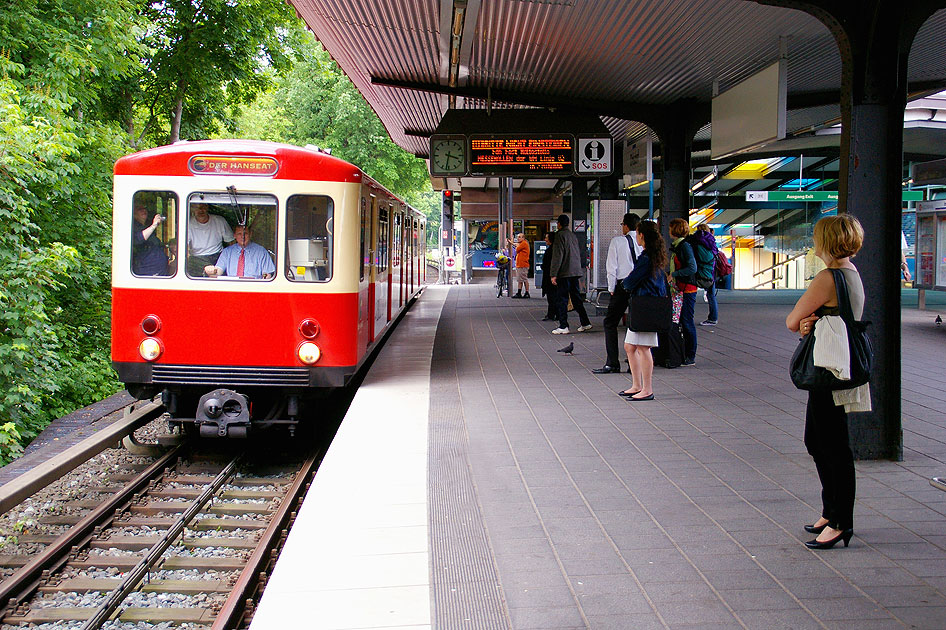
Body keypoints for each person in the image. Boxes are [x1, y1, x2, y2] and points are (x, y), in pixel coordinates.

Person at [786, 214, 865, 550]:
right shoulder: (850, 272)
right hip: (837, 366)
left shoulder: (827, 277)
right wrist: (809, 323)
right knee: (819, 441)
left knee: (832, 446)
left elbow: (792, 321)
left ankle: (840, 522)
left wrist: (803, 322)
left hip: (828, 371)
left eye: (816, 237)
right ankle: (830, 510)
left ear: (825, 242)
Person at [618, 220, 667, 401]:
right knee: (630, 346)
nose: (636, 236)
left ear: (642, 235)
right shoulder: (652, 256)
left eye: (637, 233)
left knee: (643, 348)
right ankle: (637, 385)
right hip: (646, 305)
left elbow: (631, 280)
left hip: (646, 306)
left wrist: (624, 284)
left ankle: (647, 389)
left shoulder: (646, 259)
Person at [593, 213, 642, 374]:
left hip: (622, 285)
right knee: (635, 323)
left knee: (610, 322)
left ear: (626, 226)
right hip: (639, 286)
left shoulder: (617, 241)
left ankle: (612, 362)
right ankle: (634, 363)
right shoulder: (643, 241)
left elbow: (611, 267)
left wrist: (611, 288)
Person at [548, 214, 592, 334]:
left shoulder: (559, 235)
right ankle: (585, 322)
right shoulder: (572, 235)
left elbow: (558, 256)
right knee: (576, 298)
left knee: (562, 298)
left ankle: (563, 325)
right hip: (575, 271)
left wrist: (553, 274)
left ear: (559, 224)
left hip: (564, 272)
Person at [668, 218, 698, 366]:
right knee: (681, 320)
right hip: (681, 288)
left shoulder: (684, 246)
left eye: (670, 228)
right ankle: (684, 352)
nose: (668, 231)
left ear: (675, 230)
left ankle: (690, 355)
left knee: (686, 321)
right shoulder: (678, 246)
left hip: (687, 289)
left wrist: (674, 275)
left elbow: (692, 268)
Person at [204, 225, 275, 279]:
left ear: (250, 234)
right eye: (239, 234)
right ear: (234, 235)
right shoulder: (227, 252)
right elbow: (218, 272)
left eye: (245, 233)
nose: (242, 236)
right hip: (232, 289)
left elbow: (267, 275)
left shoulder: (261, 252)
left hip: (254, 289)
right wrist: (211, 271)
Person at [187, 203, 234, 276]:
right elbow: (184, 248)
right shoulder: (188, 224)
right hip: (197, 258)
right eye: (197, 207)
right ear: (192, 209)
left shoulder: (219, 221)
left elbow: (231, 243)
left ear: (207, 207)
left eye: (203, 207)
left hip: (218, 256)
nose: (201, 210)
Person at [131, 205, 169, 276]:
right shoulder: (133, 227)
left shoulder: (145, 227)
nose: (144, 211)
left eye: (145, 208)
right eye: (140, 209)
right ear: (134, 214)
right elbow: (138, 239)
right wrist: (154, 225)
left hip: (158, 272)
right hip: (147, 272)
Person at [695, 223, 720, 326]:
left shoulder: (698, 242)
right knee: (711, 295)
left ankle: (712, 318)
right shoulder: (712, 241)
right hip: (712, 272)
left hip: (702, 272)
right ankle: (713, 318)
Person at [507, 233, 531, 298]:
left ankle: (524, 292)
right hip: (521, 264)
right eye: (517, 237)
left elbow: (517, 248)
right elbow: (516, 245)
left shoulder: (524, 243)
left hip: (522, 264)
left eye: (519, 237)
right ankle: (522, 292)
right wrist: (511, 243)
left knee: (522, 279)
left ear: (523, 238)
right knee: (522, 279)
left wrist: (512, 243)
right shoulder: (523, 243)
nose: (518, 238)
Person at [540, 232, 557, 320]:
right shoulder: (555, 249)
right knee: (554, 296)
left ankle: (551, 314)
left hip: (550, 277)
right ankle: (556, 314)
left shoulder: (550, 250)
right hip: (552, 276)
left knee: (551, 297)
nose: (545, 240)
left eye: (547, 238)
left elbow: (547, 264)